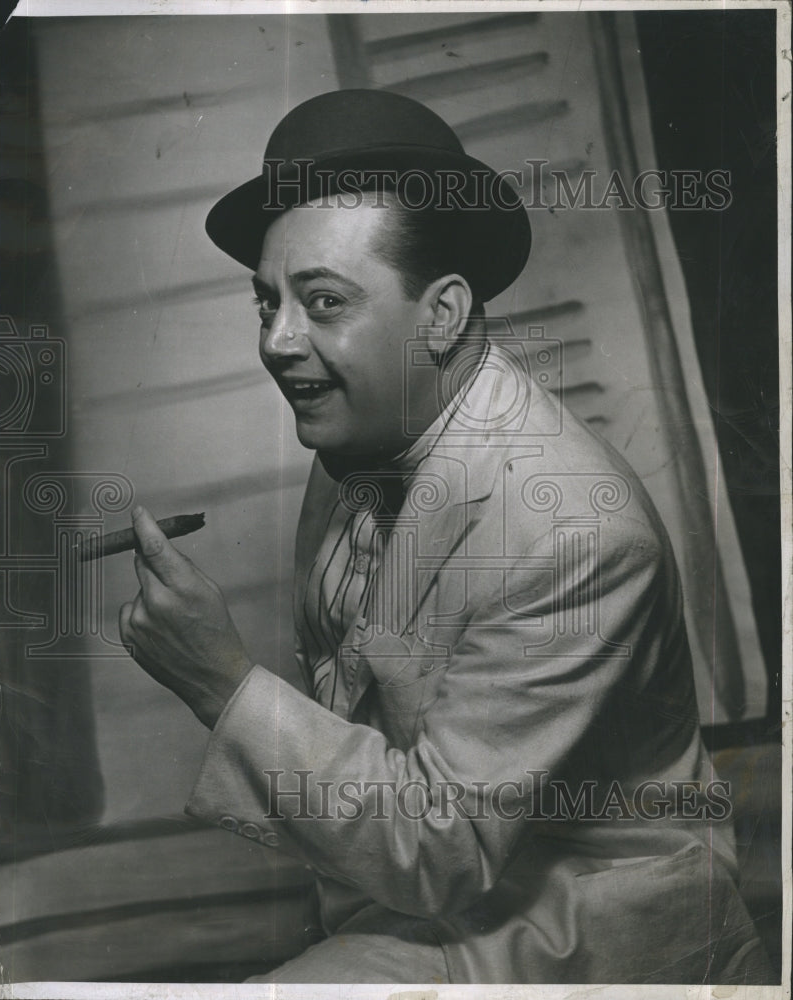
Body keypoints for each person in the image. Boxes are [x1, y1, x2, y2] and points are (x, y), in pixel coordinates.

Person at [119, 89, 769, 984]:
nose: (277, 340)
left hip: (590, 915)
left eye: (322, 301)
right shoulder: (362, 423)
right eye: (265, 302)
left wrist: (218, 680)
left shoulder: (574, 533)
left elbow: (441, 846)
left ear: (442, 314)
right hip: (419, 882)